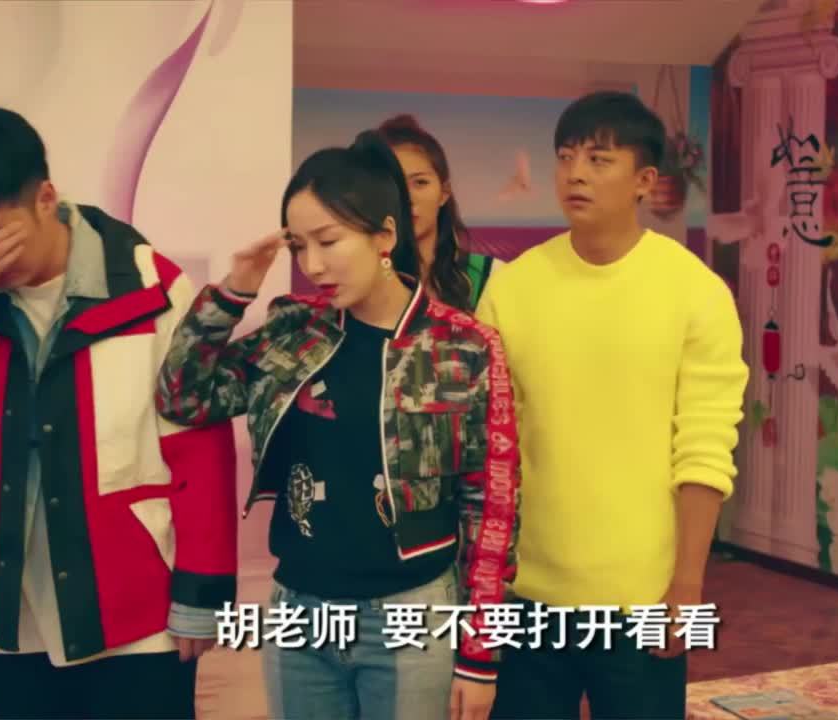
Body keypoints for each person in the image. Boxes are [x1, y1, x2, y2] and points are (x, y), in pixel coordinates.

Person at [0, 107, 238, 719]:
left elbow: (199, 444)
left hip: (135, 609)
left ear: (46, 199)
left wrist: (203, 591)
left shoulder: (152, 287)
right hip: (4, 608)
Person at [154, 129, 521, 720]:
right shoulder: (295, 328)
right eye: (299, 246)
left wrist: (479, 657)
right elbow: (183, 397)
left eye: (328, 241)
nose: (313, 265)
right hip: (299, 609)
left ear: (385, 236)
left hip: (410, 611)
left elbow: (492, 506)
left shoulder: (463, 344)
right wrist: (233, 292)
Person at [475, 91, 749, 719]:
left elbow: (705, 448)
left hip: (643, 597)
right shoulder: (513, 289)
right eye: (565, 157)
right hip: (527, 592)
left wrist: (687, 584)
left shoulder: (696, 292)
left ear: (644, 181)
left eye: (599, 160)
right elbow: (491, 445)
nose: (575, 173)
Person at [377, 114, 501, 311]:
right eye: (393, 184)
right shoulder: (356, 284)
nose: (407, 197)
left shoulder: (492, 277)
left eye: (420, 182)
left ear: (444, 193)